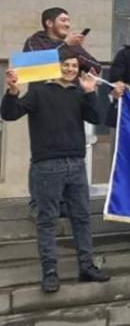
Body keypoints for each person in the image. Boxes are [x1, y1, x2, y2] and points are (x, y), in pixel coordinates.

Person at [1, 50, 110, 293]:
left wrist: (90, 91)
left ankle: (86, 266)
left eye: (74, 66)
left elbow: (96, 117)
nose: (70, 69)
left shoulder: (79, 93)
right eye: (65, 65)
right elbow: (9, 114)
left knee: (82, 217)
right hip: (47, 166)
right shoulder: (39, 92)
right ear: (54, 66)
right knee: (47, 220)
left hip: (77, 164)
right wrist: (12, 91)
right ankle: (50, 271)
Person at [24, 7, 101, 73]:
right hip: (45, 86)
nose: (67, 24)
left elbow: (96, 68)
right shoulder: (35, 40)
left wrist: (77, 55)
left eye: (68, 21)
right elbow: (37, 65)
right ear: (49, 23)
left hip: (72, 86)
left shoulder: (72, 44)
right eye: (63, 20)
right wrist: (66, 45)